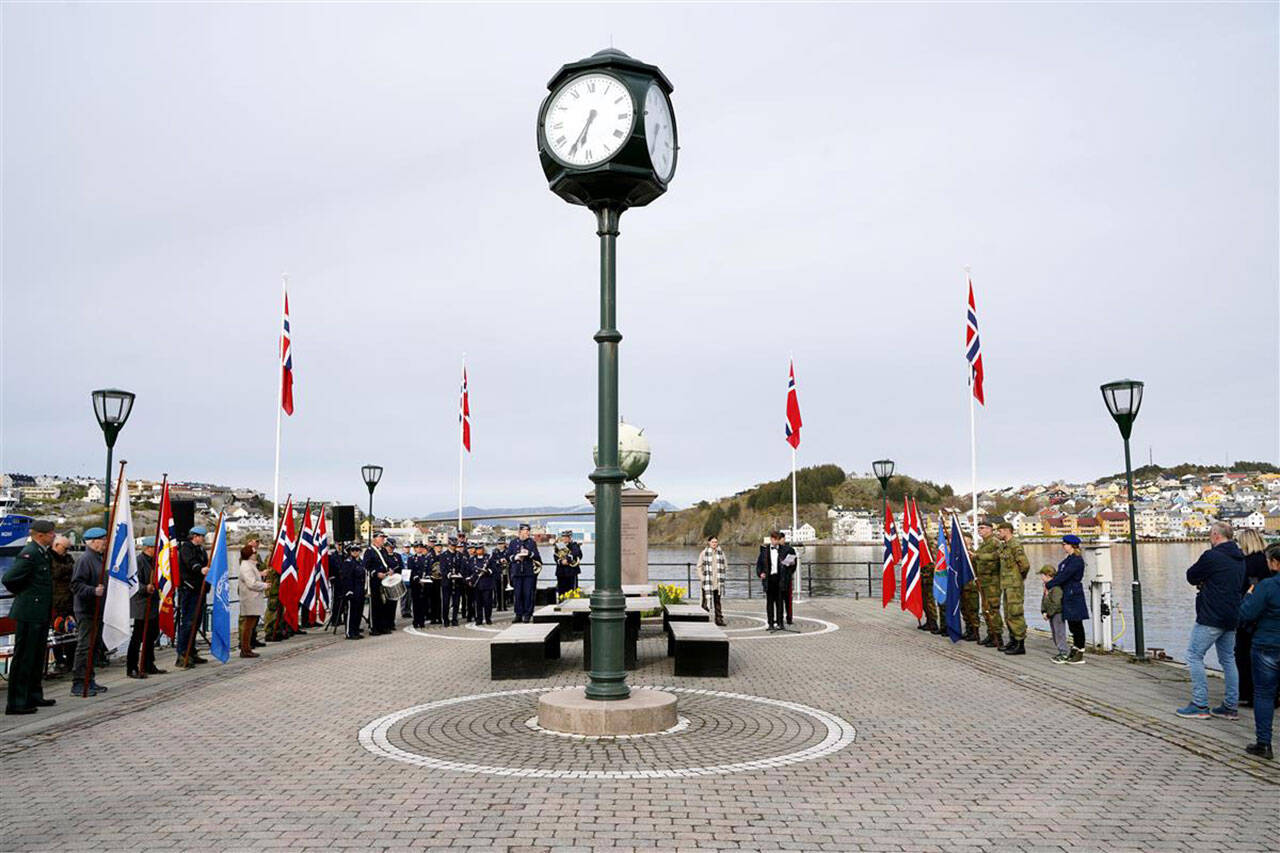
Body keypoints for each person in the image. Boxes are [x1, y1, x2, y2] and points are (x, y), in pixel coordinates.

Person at [1176, 520, 1245, 719]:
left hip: (1211, 615)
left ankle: (1200, 704)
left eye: (1210, 534)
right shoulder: (1240, 558)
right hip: (1232, 614)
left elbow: (1191, 575)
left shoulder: (1212, 556)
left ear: (1215, 535)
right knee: (1228, 659)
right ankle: (1230, 706)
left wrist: (1203, 582)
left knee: (1194, 655)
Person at [3, 519, 57, 715]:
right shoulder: (30, 553)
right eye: (51, 533)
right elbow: (9, 579)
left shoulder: (42, 554)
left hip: (40, 613)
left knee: (36, 656)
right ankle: (17, 702)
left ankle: (34, 694)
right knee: (24, 657)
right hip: (29, 612)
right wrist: (27, 595)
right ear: (40, 535)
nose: (54, 536)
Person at [1238, 543, 1280, 760]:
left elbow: (1246, 614)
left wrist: (1248, 596)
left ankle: (1264, 744)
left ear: (1275, 563)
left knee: (1264, 694)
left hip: (1267, 644)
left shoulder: (1267, 587)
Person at [69, 527, 109, 697]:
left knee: (94, 646)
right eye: (103, 539)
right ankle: (79, 682)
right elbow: (76, 585)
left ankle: (89, 679)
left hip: (97, 609)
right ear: (93, 541)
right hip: (86, 610)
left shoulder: (99, 559)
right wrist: (93, 591)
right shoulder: (85, 560)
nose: (105, 542)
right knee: (85, 646)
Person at [1235, 529, 1271, 707]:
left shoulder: (1246, 563)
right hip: (1269, 617)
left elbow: (1243, 589)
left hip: (1249, 615)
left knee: (1243, 654)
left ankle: (1248, 693)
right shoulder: (1269, 562)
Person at [1046, 534, 1090, 665]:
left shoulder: (1076, 560)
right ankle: (1075, 648)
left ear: (1071, 545)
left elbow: (1064, 576)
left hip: (1073, 594)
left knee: (1076, 623)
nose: (1063, 546)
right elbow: (1060, 574)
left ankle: (1080, 651)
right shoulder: (1068, 559)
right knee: (1072, 623)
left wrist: (1049, 584)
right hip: (1067, 593)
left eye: (1064, 544)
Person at [126, 537, 165, 678]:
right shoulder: (139, 562)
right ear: (148, 548)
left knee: (152, 634)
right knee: (137, 636)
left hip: (152, 603)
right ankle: (132, 667)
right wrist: (144, 588)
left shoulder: (154, 562)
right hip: (141, 604)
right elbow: (132, 580)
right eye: (155, 548)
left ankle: (149, 663)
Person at [176, 526, 210, 667]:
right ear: (194, 536)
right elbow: (191, 563)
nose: (203, 539)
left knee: (196, 622)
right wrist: (200, 569)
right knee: (188, 622)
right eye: (201, 536)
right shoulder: (186, 549)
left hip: (200, 590)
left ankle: (192, 650)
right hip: (189, 589)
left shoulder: (201, 550)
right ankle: (183, 653)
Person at [995, 521, 1030, 655]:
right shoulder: (1005, 546)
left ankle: (1020, 643)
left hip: (1014, 585)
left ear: (1007, 530)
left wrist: (1019, 578)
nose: (998, 533)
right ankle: (1013, 640)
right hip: (1007, 584)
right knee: (1008, 613)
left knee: (1015, 613)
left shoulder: (1015, 545)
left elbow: (1025, 565)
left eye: (1000, 531)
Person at [756, 530, 796, 632]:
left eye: (777, 540)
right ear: (771, 539)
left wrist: (790, 565)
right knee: (769, 603)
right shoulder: (764, 551)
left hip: (780, 578)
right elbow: (759, 565)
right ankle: (770, 623)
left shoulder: (784, 550)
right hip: (769, 579)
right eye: (774, 539)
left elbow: (792, 565)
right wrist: (760, 573)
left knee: (779, 602)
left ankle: (780, 623)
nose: (776, 542)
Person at [973, 521, 1003, 648]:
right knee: (986, 609)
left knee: (992, 609)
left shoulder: (995, 542)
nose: (980, 530)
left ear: (990, 529)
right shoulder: (983, 544)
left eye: (982, 528)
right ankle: (991, 634)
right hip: (983, 581)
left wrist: (978, 556)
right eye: (978, 528)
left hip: (992, 581)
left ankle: (997, 636)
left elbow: (998, 556)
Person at [49, 533, 75, 673]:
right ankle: (60, 661)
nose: (67, 552)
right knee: (58, 631)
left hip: (69, 600)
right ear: (57, 546)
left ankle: (70, 660)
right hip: (56, 601)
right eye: (65, 548)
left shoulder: (68, 558)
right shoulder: (49, 557)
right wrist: (68, 569)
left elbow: (72, 570)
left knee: (71, 631)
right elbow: (56, 572)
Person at [507, 524, 542, 623]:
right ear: (520, 532)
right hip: (517, 572)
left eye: (528, 531)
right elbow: (508, 556)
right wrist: (515, 557)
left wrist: (529, 554)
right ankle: (518, 614)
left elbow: (537, 557)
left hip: (528, 572)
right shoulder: (513, 543)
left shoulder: (532, 543)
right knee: (518, 594)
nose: (527, 533)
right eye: (525, 531)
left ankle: (527, 614)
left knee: (528, 594)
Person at [237, 543, 267, 658]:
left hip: (253, 598)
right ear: (249, 555)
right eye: (254, 552)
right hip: (250, 598)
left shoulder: (250, 565)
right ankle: (245, 649)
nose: (256, 554)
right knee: (248, 625)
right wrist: (265, 585)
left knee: (251, 624)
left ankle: (247, 647)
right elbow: (251, 583)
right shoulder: (246, 566)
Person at [364, 532, 394, 635]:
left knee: (384, 604)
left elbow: (387, 563)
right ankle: (374, 627)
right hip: (375, 581)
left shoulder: (384, 551)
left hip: (384, 580)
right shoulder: (369, 551)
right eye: (381, 538)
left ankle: (383, 626)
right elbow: (366, 567)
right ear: (375, 539)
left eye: (383, 538)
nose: (383, 540)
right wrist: (376, 573)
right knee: (375, 605)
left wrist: (390, 570)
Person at [696, 535, 727, 626]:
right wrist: (702, 578)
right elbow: (698, 567)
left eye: (716, 542)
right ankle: (703, 619)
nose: (714, 544)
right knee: (705, 603)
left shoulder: (721, 553)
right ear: (709, 543)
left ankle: (719, 620)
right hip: (707, 582)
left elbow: (725, 564)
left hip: (718, 582)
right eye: (713, 542)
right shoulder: (704, 553)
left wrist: (722, 575)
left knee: (717, 602)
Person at [1040, 565, 1067, 661]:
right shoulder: (1046, 587)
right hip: (1051, 614)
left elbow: (1056, 603)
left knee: (1059, 633)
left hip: (1057, 614)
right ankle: (1060, 651)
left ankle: (1063, 652)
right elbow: (1044, 600)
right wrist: (1043, 611)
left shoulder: (1056, 588)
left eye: (1042, 575)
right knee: (1055, 633)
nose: (1041, 578)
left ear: (1048, 575)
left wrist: (1049, 613)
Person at [341, 543, 366, 639]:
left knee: (358, 612)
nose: (355, 552)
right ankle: (349, 632)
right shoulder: (348, 562)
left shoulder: (360, 562)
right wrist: (349, 591)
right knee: (351, 613)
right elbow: (346, 578)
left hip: (360, 590)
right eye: (353, 550)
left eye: (357, 550)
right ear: (350, 552)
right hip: (352, 590)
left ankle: (356, 630)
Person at [472, 543, 496, 625]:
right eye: (477, 549)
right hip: (477, 584)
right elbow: (470, 570)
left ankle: (488, 618)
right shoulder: (473, 559)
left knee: (487, 602)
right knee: (478, 603)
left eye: (480, 548)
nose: (479, 550)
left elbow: (494, 568)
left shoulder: (488, 558)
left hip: (487, 583)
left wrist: (487, 571)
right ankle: (479, 618)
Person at [554, 531, 583, 598]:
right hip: (561, 572)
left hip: (572, 571)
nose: (564, 538)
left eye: (566, 537)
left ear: (570, 538)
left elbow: (578, 554)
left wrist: (567, 559)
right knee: (561, 591)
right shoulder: (558, 546)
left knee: (572, 590)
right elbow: (555, 556)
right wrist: (561, 561)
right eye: (563, 537)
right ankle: (561, 603)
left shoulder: (574, 545)